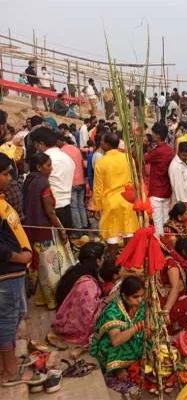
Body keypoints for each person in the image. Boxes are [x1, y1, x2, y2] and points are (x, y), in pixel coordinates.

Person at [0, 153, 32, 385]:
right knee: (7, 319)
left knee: (14, 315)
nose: (10, 178)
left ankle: (9, 362)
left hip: (14, 270)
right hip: (7, 270)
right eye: (4, 174)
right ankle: (9, 371)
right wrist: (16, 256)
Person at [23, 152, 69, 309]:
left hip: (30, 229)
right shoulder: (43, 183)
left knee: (41, 265)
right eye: (48, 165)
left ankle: (42, 298)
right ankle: (52, 300)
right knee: (51, 267)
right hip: (44, 229)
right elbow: (50, 211)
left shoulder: (28, 180)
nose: (51, 168)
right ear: (39, 167)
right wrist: (61, 229)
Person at [89, 276, 145, 393]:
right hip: (112, 343)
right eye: (135, 297)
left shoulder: (140, 305)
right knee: (112, 348)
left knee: (150, 344)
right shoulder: (113, 311)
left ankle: (131, 362)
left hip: (132, 338)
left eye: (141, 296)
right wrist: (138, 327)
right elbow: (115, 340)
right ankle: (117, 368)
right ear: (124, 296)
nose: (140, 300)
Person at [93, 133, 140, 259]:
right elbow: (135, 179)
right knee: (128, 231)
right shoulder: (127, 158)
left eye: (102, 141)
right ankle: (129, 260)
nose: (101, 143)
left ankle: (112, 262)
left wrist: (97, 207)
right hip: (127, 199)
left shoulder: (101, 162)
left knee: (112, 234)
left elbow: (98, 188)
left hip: (110, 201)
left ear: (107, 145)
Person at [51, 242, 106, 346]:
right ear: (98, 261)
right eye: (102, 257)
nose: (104, 260)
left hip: (65, 316)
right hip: (74, 326)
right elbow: (89, 314)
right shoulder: (88, 284)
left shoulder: (76, 271)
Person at [31, 127, 75, 230]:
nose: (36, 149)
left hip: (50, 210)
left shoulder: (45, 160)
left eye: (36, 145)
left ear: (41, 144)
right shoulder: (67, 158)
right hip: (66, 207)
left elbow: (39, 184)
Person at [158, 237, 187, 334]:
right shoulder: (156, 262)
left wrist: (166, 310)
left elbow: (175, 288)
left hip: (171, 300)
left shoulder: (170, 263)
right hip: (161, 300)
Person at [144, 122, 175, 234]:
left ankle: (159, 248)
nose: (151, 135)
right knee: (165, 222)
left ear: (158, 135)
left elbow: (143, 159)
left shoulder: (158, 151)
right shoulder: (170, 150)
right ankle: (165, 247)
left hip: (157, 191)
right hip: (166, 191)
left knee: (158, 224)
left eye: (153, 133)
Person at [58, 133, 88, 233]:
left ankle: (78, 228)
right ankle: (85, 225)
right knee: (81, 204)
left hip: (71, 182)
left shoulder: (61, 152)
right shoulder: (76, 148)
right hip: (81, 180)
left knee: (74, 206)